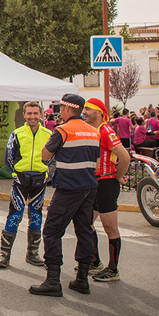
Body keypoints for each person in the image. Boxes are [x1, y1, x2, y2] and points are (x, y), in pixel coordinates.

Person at [30, 94, 100, 297]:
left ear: (66, 109)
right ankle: (82, 279)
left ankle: (53, 280)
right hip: (89, 187)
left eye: (61, 107)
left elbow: (45, 155)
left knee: (52, 231)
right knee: (84, 230)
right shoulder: (94, 132)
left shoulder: (62, 130)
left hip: (69, 187)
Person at [0, 101, 51, 269]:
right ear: (24, 115)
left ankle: (32, 253)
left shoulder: (49, 134)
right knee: (14, 215)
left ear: (41, 114)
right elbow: (8, 156)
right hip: (21, 180)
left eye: (35, 113)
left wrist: (46, 171)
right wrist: (16, 173)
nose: (32, 117)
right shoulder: (17, 133)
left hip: (39, 180)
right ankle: (4, 255)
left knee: (36, 215)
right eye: (29, 113)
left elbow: (54, 156)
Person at [83, 98, 131, 282]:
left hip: (106, 184)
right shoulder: (91, 130)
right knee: (86, 223)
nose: (84, 112)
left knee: (110, 227)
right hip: (93, 184)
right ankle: (95, 262)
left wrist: (118, 176)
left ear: (99, 113)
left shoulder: (106, 130)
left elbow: (125, 157)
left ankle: (113, 269)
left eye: (88, 109)